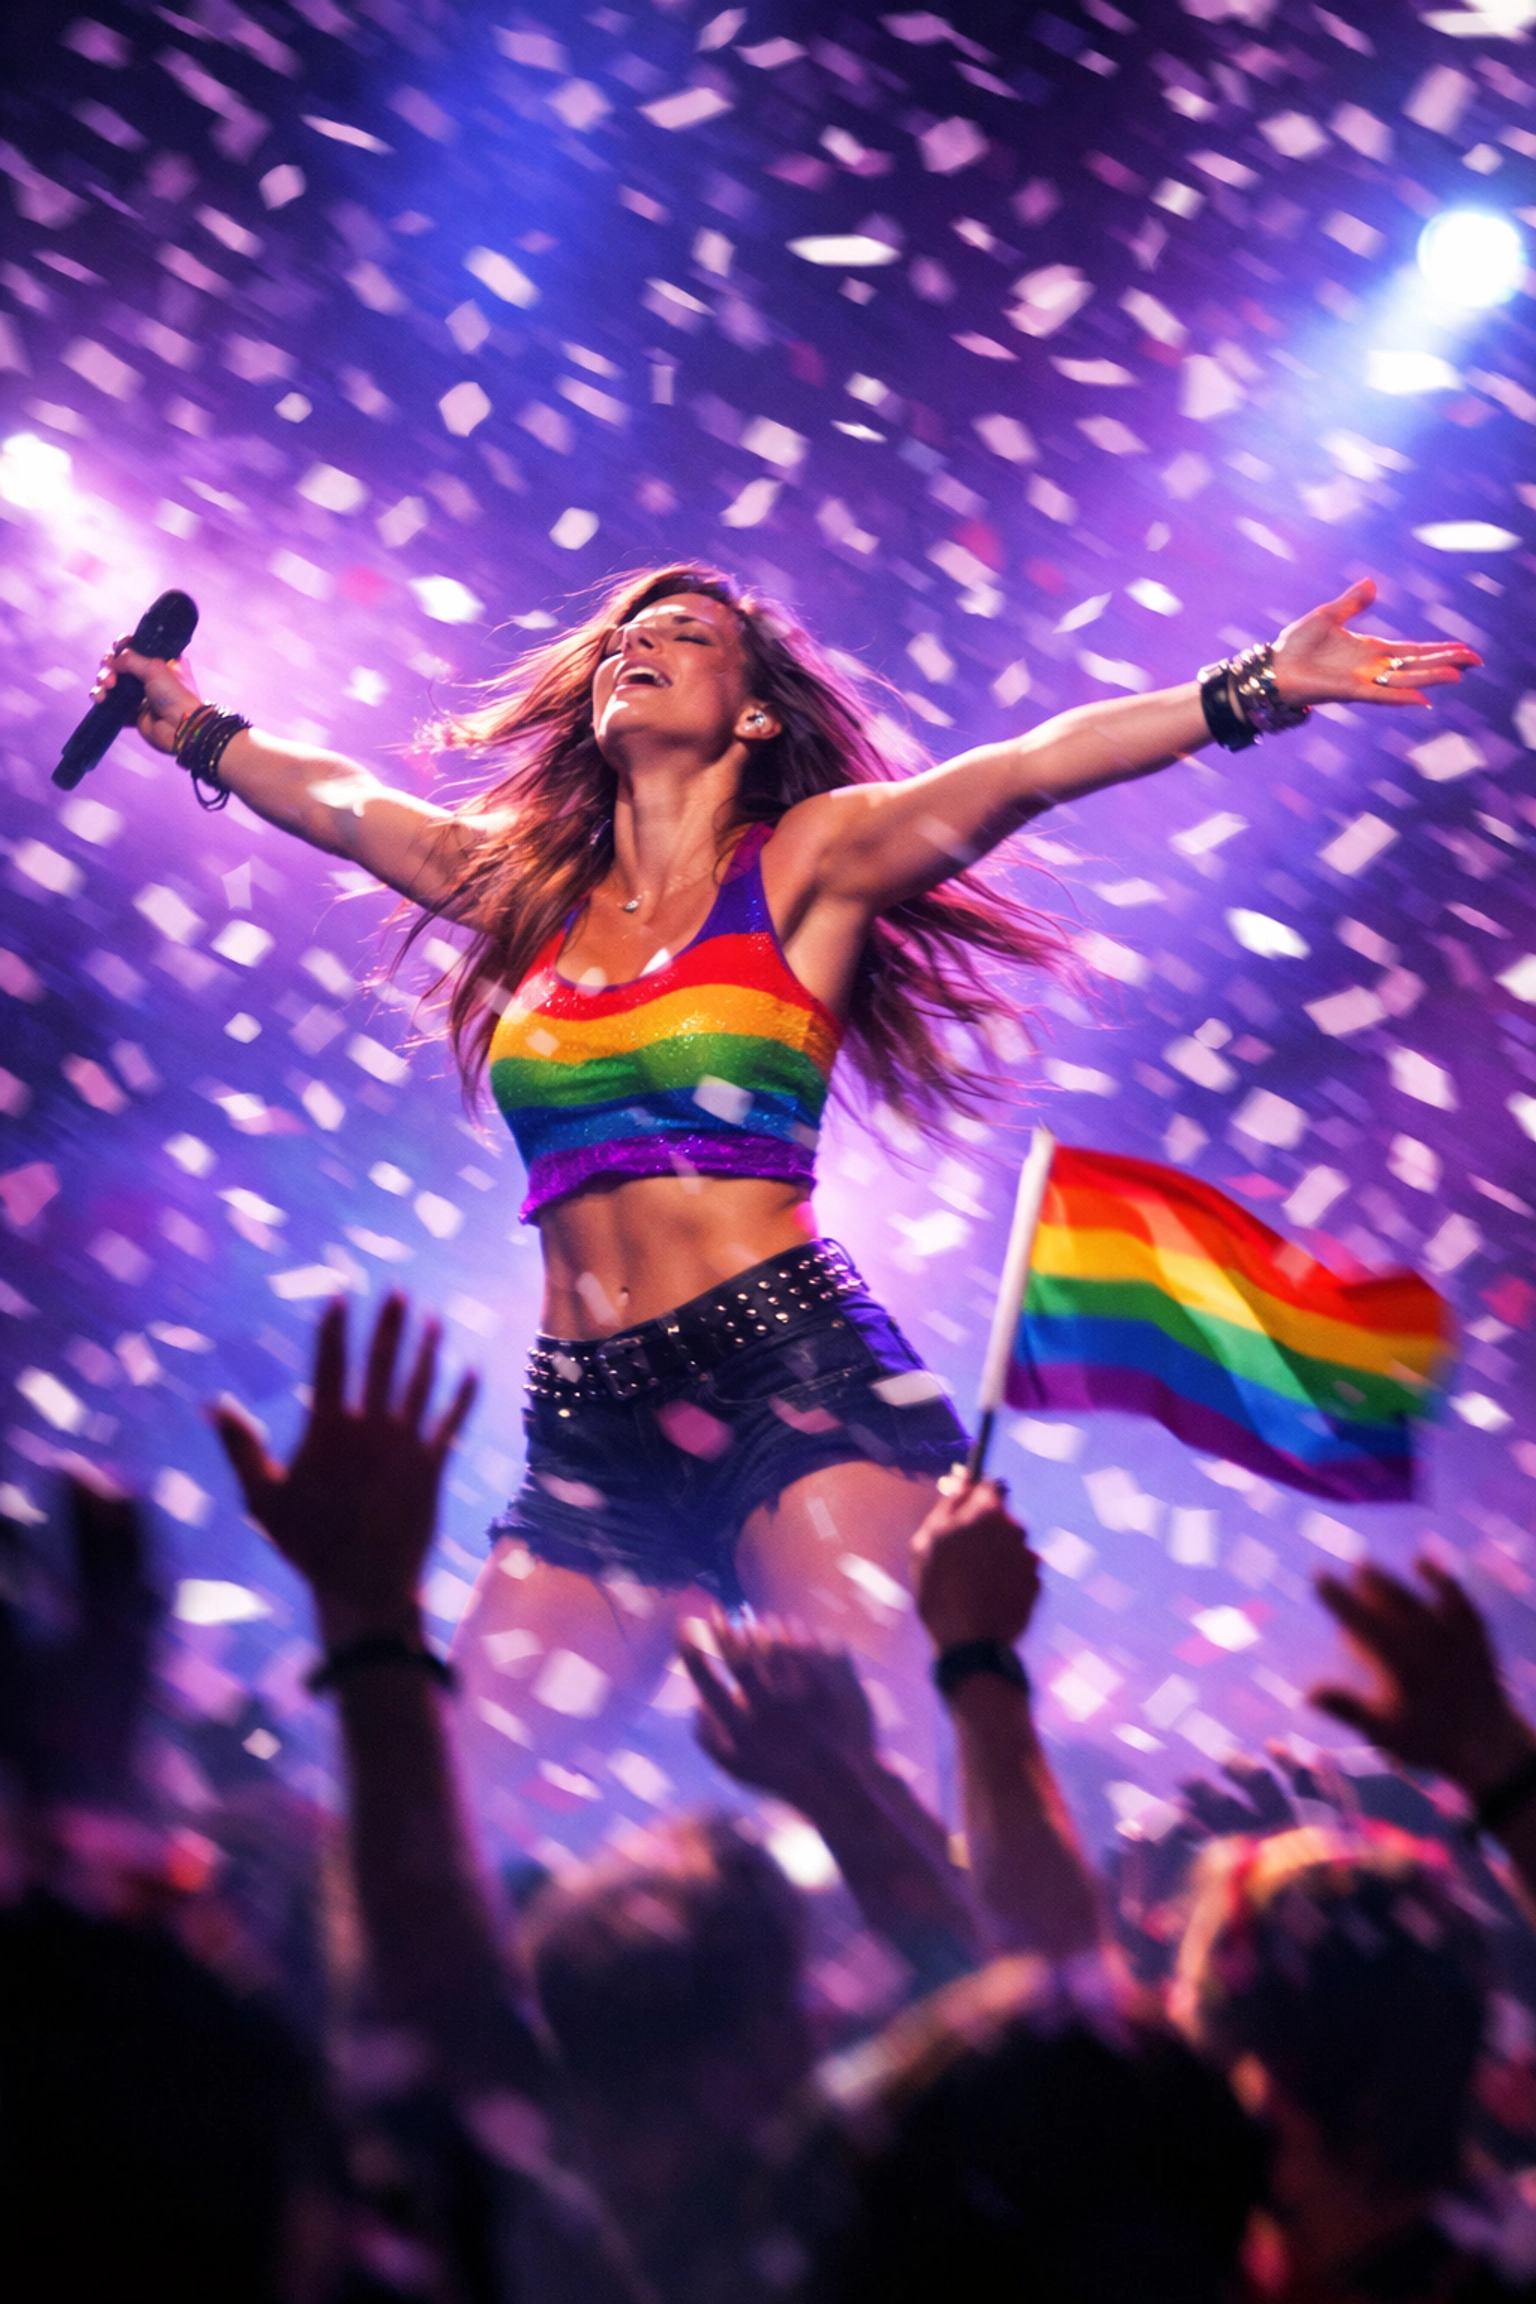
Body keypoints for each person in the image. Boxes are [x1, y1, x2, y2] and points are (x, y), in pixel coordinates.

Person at [90, 566, 1479, 1799]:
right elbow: (348, 807)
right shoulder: (532, 896)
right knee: (465, 1796)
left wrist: (1253, 688)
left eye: (684, 637)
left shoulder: (810, 859)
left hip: (792, 1383)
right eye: (625, 638)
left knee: (879, 1771)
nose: (637, 647)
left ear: (754, 714)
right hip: (588, 1425)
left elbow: (1023, 769)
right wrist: (195, 727)